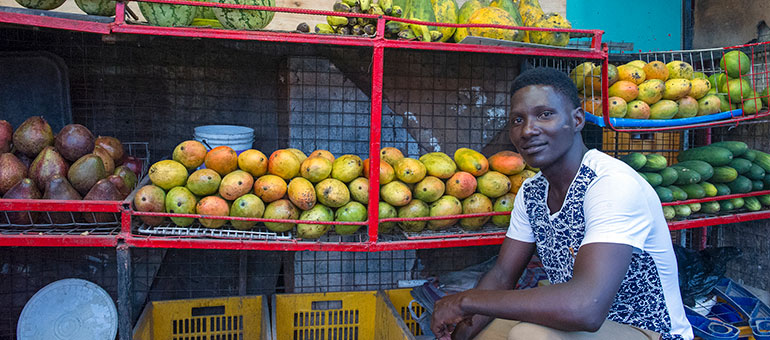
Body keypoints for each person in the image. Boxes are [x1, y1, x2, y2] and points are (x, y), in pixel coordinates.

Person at [430, 67, 693, 340]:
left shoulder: (610, 184)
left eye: (545, 115)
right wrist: (459, 334)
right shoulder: (532, 192)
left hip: (648, 330)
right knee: (485, 334)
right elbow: (502, 274)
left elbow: (585, 309)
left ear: (577, 119)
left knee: (529, 335)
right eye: (517, 120)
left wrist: (465, 301)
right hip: (579, 327)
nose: (528, 130)